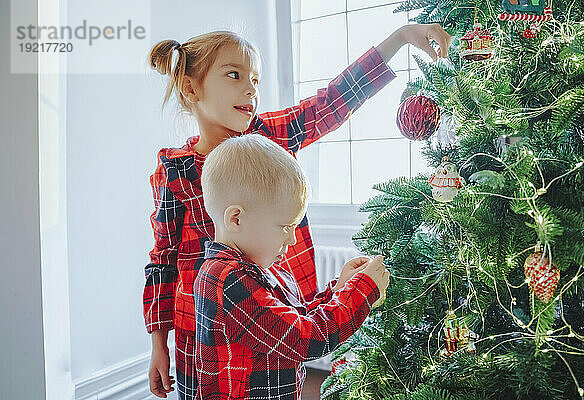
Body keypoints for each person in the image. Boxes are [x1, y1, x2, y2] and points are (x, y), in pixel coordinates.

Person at [144, 25, 450, 400]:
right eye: (234, 74)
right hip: (201, 340)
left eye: (255, 79)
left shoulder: (269, 138)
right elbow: (163, 260)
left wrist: (399, 39)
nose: (251, 88)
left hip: (278, 315)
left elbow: (332, 101)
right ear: (191, 88)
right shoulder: (173, 172)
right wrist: (158, 343)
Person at [196, 133, 389, 399]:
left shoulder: (257, 268)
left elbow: (293, 318)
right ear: (237, 219)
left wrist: (340, 289)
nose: (292, 238)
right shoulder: (228, 281)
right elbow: (307, 338)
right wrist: (363, 290)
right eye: (285, 227)